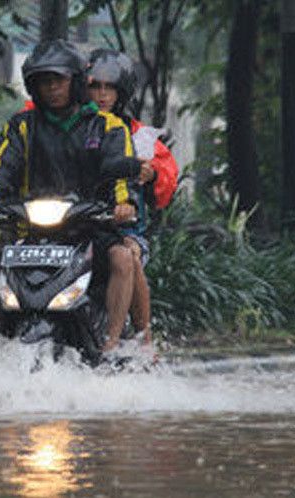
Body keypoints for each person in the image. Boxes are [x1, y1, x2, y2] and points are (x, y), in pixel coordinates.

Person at [0, 39, 145, 353]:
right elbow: (2, 167)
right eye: (43, 81)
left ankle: (112, 342)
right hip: (33, 235)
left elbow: (120, 172)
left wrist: (124, 203)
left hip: (91, 231)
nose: (51, 88)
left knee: (122, 257)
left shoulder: (107, 126)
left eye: (58, 80)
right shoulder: (21, 127)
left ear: (75, 82)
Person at [86, 48, 179, 349]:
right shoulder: (71, 125)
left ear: (120, 92)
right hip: (76, 224)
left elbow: (165, 182)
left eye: (109, 88)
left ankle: (143, 341)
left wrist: (151, 176)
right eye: (95, 86)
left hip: (123, 229)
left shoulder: (138, 134)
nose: (101, 95)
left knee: (131, 255)